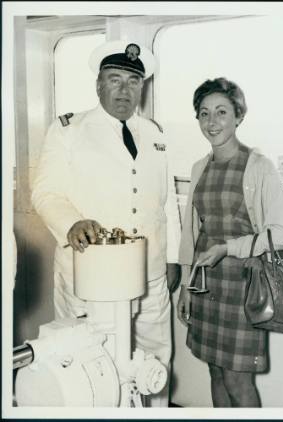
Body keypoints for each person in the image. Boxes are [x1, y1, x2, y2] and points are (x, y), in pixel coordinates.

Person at [31, 40, 181, 407]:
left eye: (133, 82)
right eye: (115, 79)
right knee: (93, 370)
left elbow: (167, 204)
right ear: (98, 83)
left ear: (142, 87)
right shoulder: (68, 130)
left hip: (150, 273)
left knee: (154, 364)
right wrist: (71, 223)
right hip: (90, 274)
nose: (124, 90)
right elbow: (45, 193)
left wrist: (173, 256)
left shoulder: (155, 134)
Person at [177, 77, 283, 407]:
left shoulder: (259, 167)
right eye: (204, 113)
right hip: (206, 285)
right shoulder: (199, 168)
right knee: (215, 372)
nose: (212, 122)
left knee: (237, 380)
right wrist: (186, 286)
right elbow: (191, 234)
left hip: (243, 287)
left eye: (222, 112)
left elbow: (282, 233)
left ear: (238, 116)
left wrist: (229, 248)